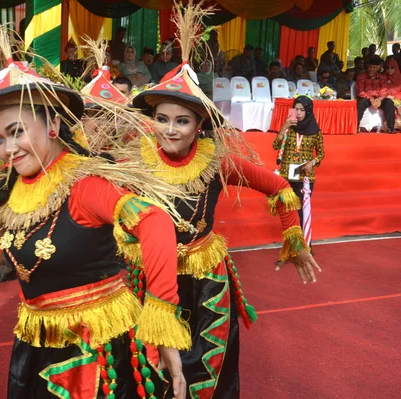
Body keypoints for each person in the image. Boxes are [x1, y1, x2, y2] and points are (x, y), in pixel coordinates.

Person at [0, 24, 191, 399]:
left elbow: (156, 222)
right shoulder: (13, 190)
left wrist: (161, 318)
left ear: (52, 125)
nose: (8, 148)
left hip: (93, 356)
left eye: (17, 131)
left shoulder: (83, 184)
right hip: (36, 346)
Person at [130, 4, 321, 398]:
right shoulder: (133, 163)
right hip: (149, 279)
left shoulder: (219, 162)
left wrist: (294, 240)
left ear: (199, 125)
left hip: (205, 285)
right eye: (162, 119)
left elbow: (280, 189)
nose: (170, 129)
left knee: (204, 371)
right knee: (148, 372)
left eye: (182, 121)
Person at [274, 96, 325, 239]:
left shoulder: (315, 131)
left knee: (301, 211)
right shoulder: (289, 127)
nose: (298, 113)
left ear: (308, 111)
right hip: (286, 174)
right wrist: (284, 127)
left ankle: (304, 246)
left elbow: (321, 154)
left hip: (304, 176)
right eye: (295, 109)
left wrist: (312, 163)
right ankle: (291, 245)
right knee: (288, 211)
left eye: (302, 110)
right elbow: (275, 146)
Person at [356, 58, 395, 132]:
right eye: (370, 67)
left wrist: (379, 99)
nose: (371, 69)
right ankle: (356, 125)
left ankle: (390, 127)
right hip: (366, 98)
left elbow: (384, 90)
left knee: (389, 102)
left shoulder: (382, 78)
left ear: (378, 68)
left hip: (378, 98)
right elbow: (361, 91)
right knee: (361, 102)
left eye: (374, 67)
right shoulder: (361, 77)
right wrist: (371, 99)